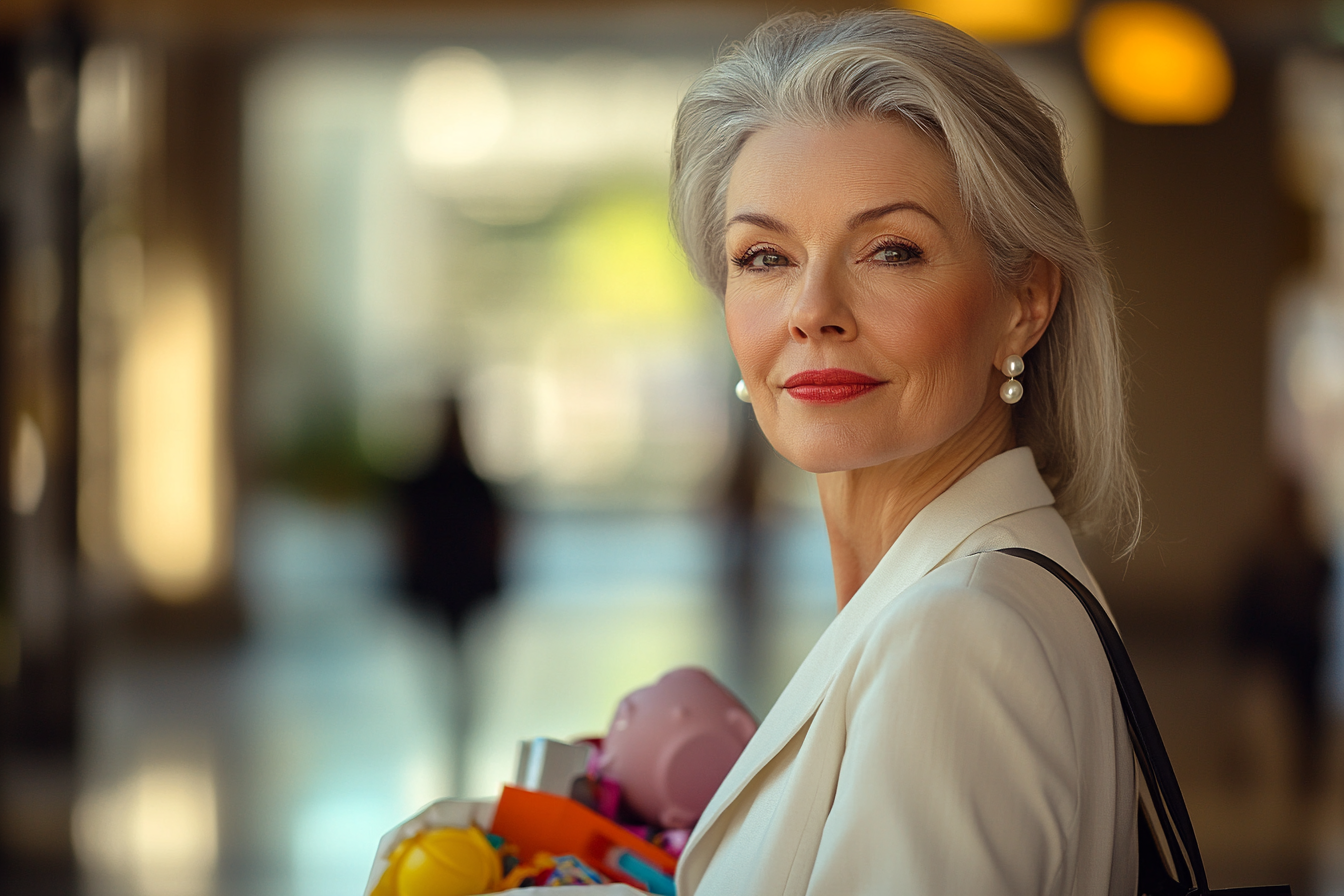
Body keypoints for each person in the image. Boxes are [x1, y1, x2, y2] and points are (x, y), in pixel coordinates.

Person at [367, 8, 1143, 895]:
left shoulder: (956, 635)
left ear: (1025, 302)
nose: (813, 308)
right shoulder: (961, 595)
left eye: (892, 250)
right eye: (765, 256)